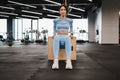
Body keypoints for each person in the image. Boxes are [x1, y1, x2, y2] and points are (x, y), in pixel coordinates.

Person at [52, 5, 74, 69]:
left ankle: (68, 61)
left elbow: (71, 28)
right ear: (59, 11)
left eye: (64, 10)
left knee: (68, 38)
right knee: (56, 38)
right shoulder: (56, 20)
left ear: (66, 11)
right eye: (61, 10)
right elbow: (54, 28)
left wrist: (71, 34)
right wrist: (54, 34)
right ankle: (55, 61)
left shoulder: (70, 20)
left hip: (66, 36)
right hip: (58, 36)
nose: (63, 11)